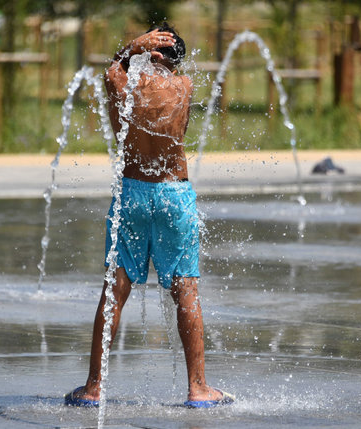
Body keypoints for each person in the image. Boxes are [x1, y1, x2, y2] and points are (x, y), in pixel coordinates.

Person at [64, 23, 234, 409]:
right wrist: (153, 55)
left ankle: (94, 387)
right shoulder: (185, 88)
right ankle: (198, 388)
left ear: (150, 55)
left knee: (115, 290)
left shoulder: (124, 86)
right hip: (175, 195)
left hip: (132, 196)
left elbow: (110, 72)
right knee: (185, 290)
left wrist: (130, 49)